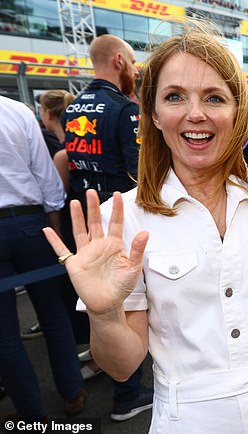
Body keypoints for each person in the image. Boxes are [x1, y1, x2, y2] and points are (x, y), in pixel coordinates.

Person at [43, 21, 248, 433]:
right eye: (175, 96)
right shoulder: (124, 218)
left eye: (214, 97)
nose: (195, 113)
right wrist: (105, 312)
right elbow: (123, 364)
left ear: (237, 113)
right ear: (154, 115)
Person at [60, 33, 152, 422]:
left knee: (95, 298)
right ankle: (128, 394)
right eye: (131, 62)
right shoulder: (123, 108)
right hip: (119, 217)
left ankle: (101, 359)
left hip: (82, 217)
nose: (133, 70)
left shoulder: (73, 106)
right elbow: (138, 171)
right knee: (128, 302)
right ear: (118, 60)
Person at [0, 95, 85, 422]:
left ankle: (30, 414)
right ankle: (72, 391)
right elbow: (45, 175)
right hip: (30, 224)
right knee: (53, 313)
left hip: (25, 224)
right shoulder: (17, 110)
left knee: (5, 335)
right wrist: (53, 228)